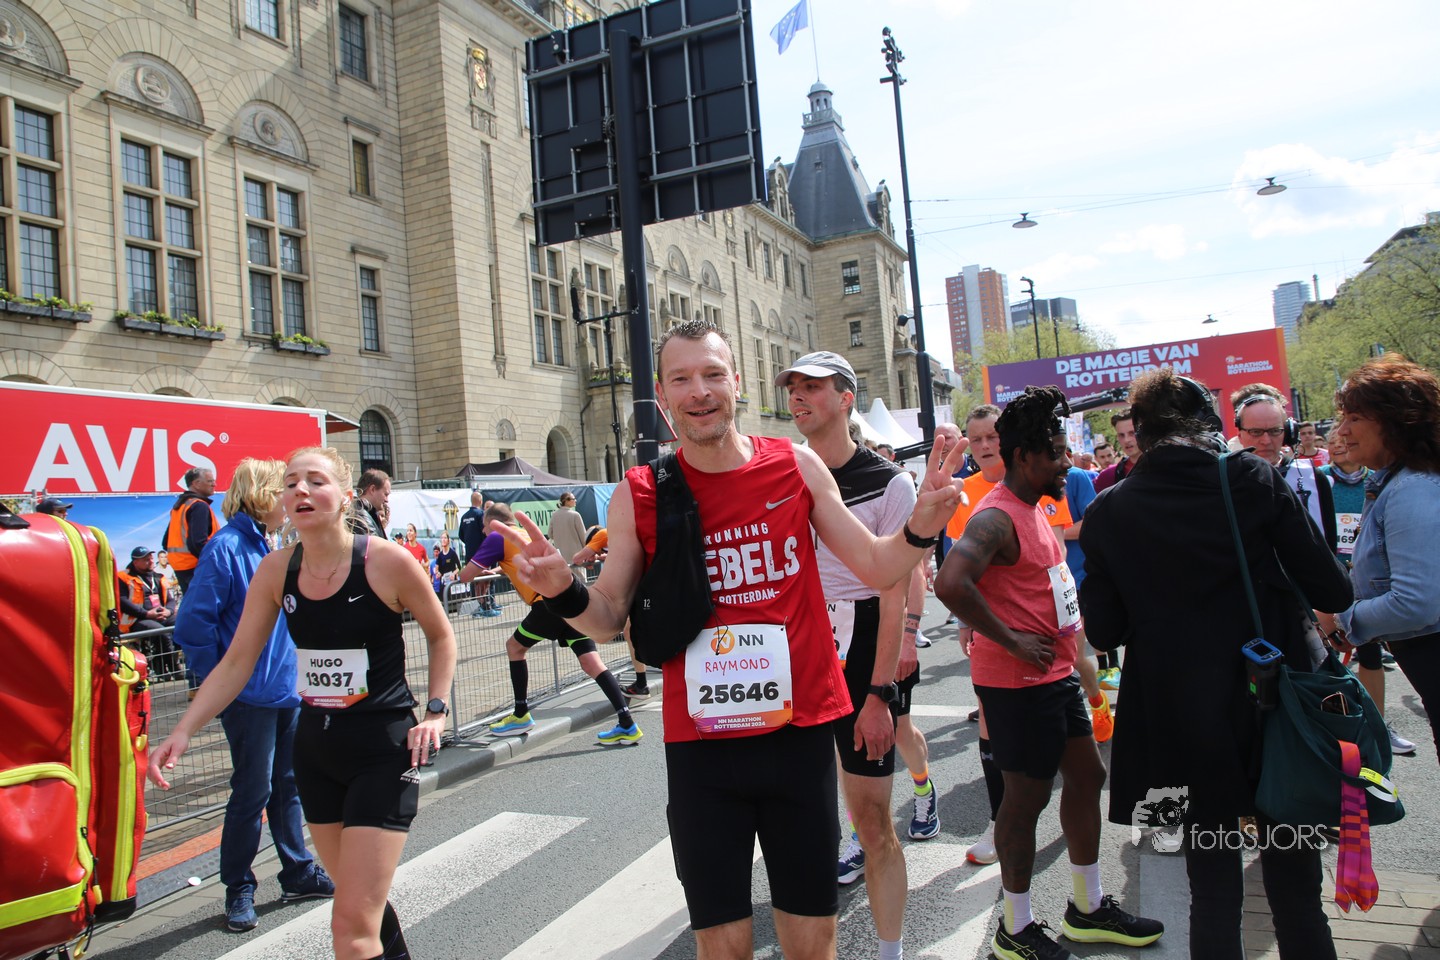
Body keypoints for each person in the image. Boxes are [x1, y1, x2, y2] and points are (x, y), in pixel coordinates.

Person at [486, 319, 966, 960]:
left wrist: (919, 528)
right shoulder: (641, 493)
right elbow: (606, 617)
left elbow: (878, 567)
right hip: (703, 751)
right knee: (722, 946)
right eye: (681, 378)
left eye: (713, 374)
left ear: (736, 382)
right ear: (662, 395)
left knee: (811, 941)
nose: (700, 391)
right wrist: (562, 590)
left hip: (797, 736)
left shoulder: (794, 465)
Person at [1080, 369, 1352, 960]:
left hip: (1182, 720)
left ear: (1140, 433)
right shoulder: (1253, 478)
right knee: (1297, 887)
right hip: (1272, 706)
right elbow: (1332, 587)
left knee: (1211, 883)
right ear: (1210, 424)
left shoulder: (1109, 510)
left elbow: (1103, 632)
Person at [150, 447, 456, 960]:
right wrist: (183, 730)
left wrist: (435, 712)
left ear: (345, 496)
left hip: (382, 750)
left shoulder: (386, 560)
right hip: (315, 753)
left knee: (350, 925)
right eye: (291, 482)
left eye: (315, 481)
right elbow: (236, 661)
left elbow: (442, 635)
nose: (300, 490)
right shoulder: (276, 570)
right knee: (363, 907)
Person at [937, 385, 1162, 960]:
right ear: (1023, 456)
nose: (1066, 463)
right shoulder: (995, 518)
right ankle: (1015, 928)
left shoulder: (1036, 506)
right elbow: (950, 582)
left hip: (1054, 676)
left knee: (1086, 776)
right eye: (1056, 453)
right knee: (1025, 800)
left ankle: (1087, 907)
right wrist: (1010, 638)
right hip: (1016, 685)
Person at [781, 350, 916, 959]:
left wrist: (881, 694)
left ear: (845, 399)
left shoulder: (890, 482)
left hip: (863, 642)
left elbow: (893, 593)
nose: (798, 396)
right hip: (798, 644)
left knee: (872, 820)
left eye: (813, 386)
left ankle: (890, 951)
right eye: (793, 387)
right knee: (801, 820)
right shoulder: (783, 473)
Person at [170, 458, 334, 932]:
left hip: (284, 691)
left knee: (287, 786)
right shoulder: (226, 548)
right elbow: (192, 627)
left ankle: (297, 871)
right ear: (262, 494)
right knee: (253, 791)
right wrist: (224, 685)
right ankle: (239, 887)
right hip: (250, 698)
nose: (292, 496)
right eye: (284, 488)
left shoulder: (267, 544)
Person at [1320, 355, 1440, 766]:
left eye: (1354, 418)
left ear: (1396, 421)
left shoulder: (1412, 489)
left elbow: (1416, 602)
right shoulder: (1401, 482)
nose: (1342, 431)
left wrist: (1342, 621)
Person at [461, 501, 642, 746]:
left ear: (494, 523)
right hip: (567, 601)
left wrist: (458, 575)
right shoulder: (524, 534)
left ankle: (521, 714)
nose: (483, 532)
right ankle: (627, 723)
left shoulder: (496, 537)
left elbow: (466, 575)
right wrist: (500, 569)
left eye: (484, 526)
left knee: (514, 647)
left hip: (546, 605)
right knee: (591, 662)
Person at [1318, 427, 1413, 756]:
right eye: (1333, 443)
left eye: (1343, 441)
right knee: (1326, 659)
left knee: (1370, 654)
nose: (1339, 446)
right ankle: (1336, 732)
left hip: (1364, 581)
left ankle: (1378, 727)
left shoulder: (1378, 481)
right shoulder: (1319, 479)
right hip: (1330, 578)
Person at [1232, 390, 1337, 550]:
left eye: (1275, 431)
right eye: (1256, 432)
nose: (1266, 441)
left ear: (1288, 433)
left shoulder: (1313, 478)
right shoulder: (1225, 479)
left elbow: (1329, 545)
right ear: (1240, 435)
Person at [118, 546, 180, 679]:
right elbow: (122, 601)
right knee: (161, 632)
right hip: (138, 619)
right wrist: (146, 614)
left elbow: (170, 599)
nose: (151, 561)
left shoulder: (159, 577)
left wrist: (168, 611)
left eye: (151, 558)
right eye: (146, 560)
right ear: (136, 562)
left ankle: (166, 665)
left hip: (161, 615)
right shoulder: (123, 577)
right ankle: (173, 669)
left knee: (182, 625)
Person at [166, 467, 219, 592]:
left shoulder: (180, 506)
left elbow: (165, 541)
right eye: (210, 481)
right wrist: (215, 564)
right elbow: (197, 543)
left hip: (182, 569)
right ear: (196, 483)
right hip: (197, 569)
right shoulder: (199, 506)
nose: (214, 484)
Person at [1092, 409, 1138, 492]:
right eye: (1121, 435)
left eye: (1132, 433)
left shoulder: (1162, 466)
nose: (1126, 440)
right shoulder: (1108, 476)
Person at [548, 491, 588, 578]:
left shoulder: (554, 515)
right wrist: (586, 553)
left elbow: (550, 534)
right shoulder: (575, 515)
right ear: (566, 501)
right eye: (573, 499)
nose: (575, 500)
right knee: (581, 581)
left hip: (561, 557)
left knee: (566, 581)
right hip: (577, 556)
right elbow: (583, 537)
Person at [351, 468, 390, 538]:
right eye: (385, 494)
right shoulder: (360, 514)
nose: (387, 500)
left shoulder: (367, 512)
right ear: (372, 489)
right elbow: (374, 543)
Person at [431, 532, 461, 603]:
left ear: (448, 540)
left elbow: (459, 567)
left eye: (445, 538)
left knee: (453, 602)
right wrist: (438, 573)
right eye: (442, 538)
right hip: (443, 583)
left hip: (452, 582)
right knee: (444, 601)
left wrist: (453, 573)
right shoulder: (440, 555)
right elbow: (436, 569)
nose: (443, 540)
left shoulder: (452, 553)